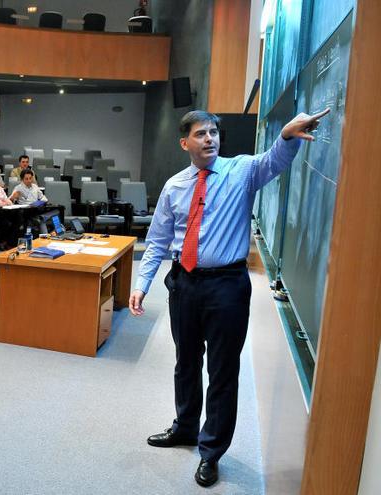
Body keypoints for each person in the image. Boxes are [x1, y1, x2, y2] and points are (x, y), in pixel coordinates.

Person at [131, 108, 330, 488]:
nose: (209, 139)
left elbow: (274, 160)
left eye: (213, 133)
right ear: (184, 142)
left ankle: (211, 451)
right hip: (184, 284)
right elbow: (157, 241)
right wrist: (142, 283)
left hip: (226, 286)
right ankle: (185, 427)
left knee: (223, 371)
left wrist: (287, 136)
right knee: (186, 362)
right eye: (201, 134)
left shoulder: (241, 170)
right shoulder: (174, 186)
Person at [10, 168, 53, 234]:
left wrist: (40, 202)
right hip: (25, 212)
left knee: (56, 211)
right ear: (22, 179)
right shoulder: (18, 188)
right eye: (26, 179)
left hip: (36, 209)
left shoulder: (35, 186)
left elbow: (43, 198)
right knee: (40, 220)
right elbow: (9, 201)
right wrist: (13, 198)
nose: (29, 181)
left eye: (30, 178)